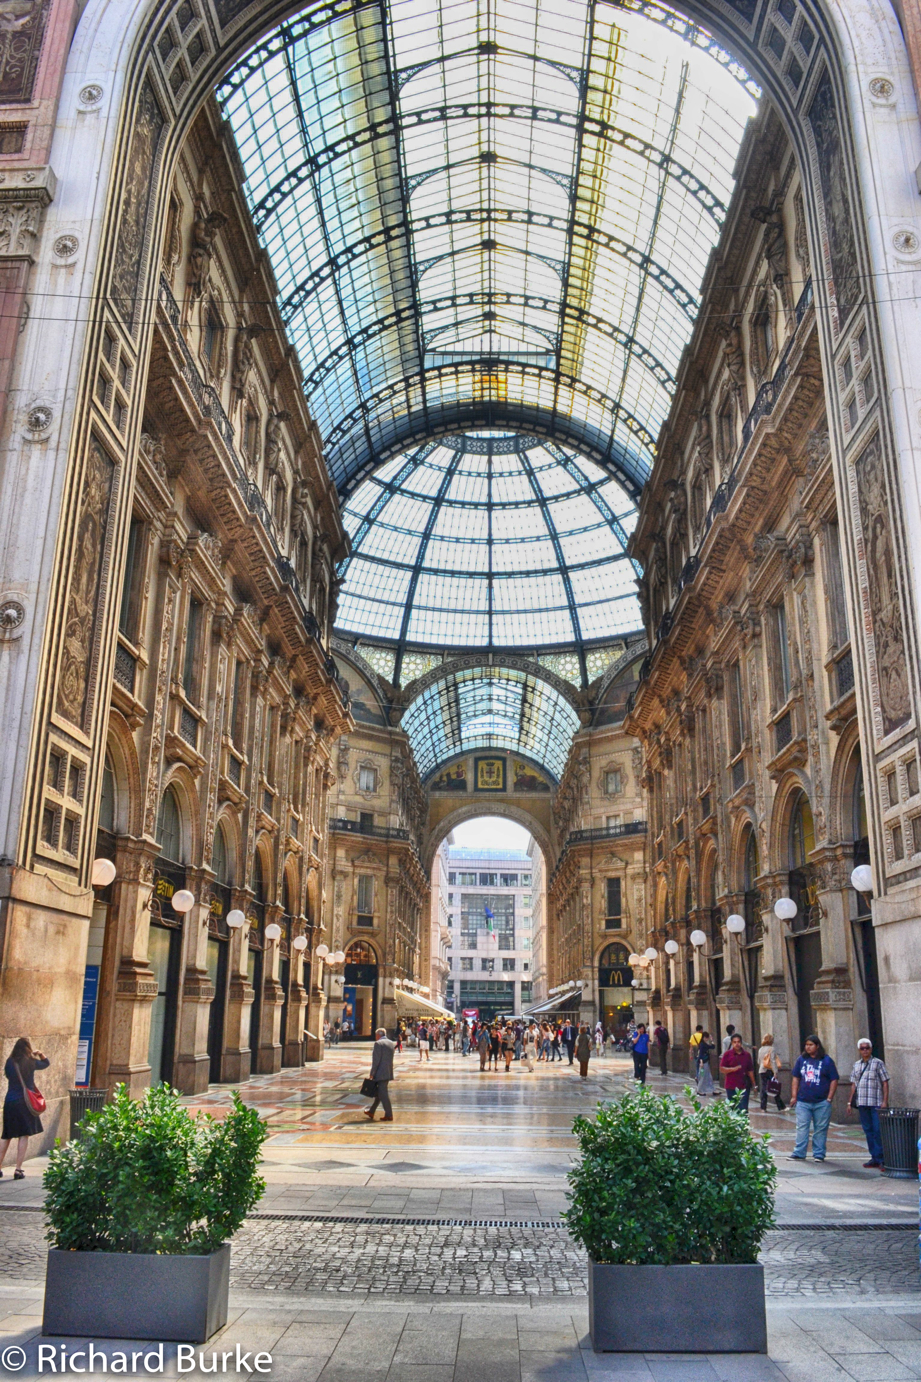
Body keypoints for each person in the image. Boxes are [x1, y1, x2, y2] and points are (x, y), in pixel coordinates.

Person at [1, 1038, 50, 1179]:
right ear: (28, 1048)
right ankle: (18, 1170)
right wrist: (40, 1053)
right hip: (25, 1103)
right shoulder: (31, 1062)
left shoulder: (10, 1062)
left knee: (6, 1135)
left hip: (10, 1101)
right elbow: (46, 1063)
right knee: (23, 1135)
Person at [789, 1034, 839, 1162]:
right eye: (806, 1045)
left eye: (811, 1045)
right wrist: (794, 1096)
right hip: (803, 1101)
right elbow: (796, 1078)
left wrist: (829, 1098)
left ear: (817, 1046)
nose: (808, 1047)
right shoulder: (801, 1060)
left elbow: (834, 1079)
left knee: (820, 1129)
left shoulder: (827, 1060)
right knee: (801, 1127)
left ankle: (819, 1154)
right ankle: (799, 1152)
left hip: (822, 1102)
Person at [847, 1038, 889, 1169]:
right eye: (862, 1048)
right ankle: (874, 1157)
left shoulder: (878, 1063)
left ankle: (882, 1158)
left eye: (867, 1048)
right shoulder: (856, 1065)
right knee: (868, 1131)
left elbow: (885, 1082)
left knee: (877, 1131)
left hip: (875, 1102)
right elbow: (854, 1084)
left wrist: (885, 1101)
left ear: (871, 1049)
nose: (865, 1050)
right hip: (862, 1102)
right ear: (859, 1050)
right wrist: (849, 1102)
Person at [364, 1028, 395, 1122]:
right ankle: (371, 1111)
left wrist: (372, 1073)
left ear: (378, 1035)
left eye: (376, 1035)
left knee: (383, 1094)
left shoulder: (378, 1044)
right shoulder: (391, 1043)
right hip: (388, 1071)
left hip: (380, 1072)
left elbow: (376, 1061)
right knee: (379, 1093)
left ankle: (389, 1115)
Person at [720, 1031, 756, 1113]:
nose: (737, 1044)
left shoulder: (747, 1055)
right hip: (731, 1086)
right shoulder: (727, 1054)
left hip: (744, 1086)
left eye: (738, 1042)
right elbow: (722, 1069)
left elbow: (750, 1070)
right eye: (735, 1042)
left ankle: (744, 1125)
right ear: (732, 1043)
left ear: (741, 1043)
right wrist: (733, 1069)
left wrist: (754, 1085)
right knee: (733, 1109)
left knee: (743, 1109)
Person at [756, 1034, 786, 1111]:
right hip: (769, 1070)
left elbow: (759, 1061)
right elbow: (773, 1061)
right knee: (774, 1088)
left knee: (764, 1088)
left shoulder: (760, 1049)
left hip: (762, 1070)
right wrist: (775, 1072)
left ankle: (763, 1107)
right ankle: (781, 1106)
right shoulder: (771, 1049)